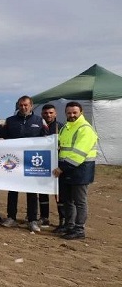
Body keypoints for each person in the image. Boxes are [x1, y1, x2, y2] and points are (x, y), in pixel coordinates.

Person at [1, 95, 48, 232]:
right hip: (13, 161)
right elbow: (3, 137)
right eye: (21, 105)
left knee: (32, 191)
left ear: (31, 106)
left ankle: (32, 220)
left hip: (32, 161)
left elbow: (47, 139)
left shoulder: (40, 121)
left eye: (26, 105)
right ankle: (11, 218)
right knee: (13, 189)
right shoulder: (10, 121)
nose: (23, 107)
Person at [52, 101, 98, 240]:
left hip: (80, 170)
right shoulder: (65, 127)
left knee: (80, 201)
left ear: (81, 113)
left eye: (74, 113)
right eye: (69, 113)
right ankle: (69, 225)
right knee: (68, 200)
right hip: (67, 170)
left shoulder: (85, 129)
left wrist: (61, 168)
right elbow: (61, 146)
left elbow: (79, 154)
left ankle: (79, 229)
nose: (71, 115)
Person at [40, 103, 63, 227]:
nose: (48, 115)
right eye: (45, 113)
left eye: (51, 113)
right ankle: (44, 217)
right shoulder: (40, 126)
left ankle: (62, 219)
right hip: (42, 164)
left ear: (55, 113)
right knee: (42, 191)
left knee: (58, 193)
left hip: (57, 166)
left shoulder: (61, 127)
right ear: (42, 114)